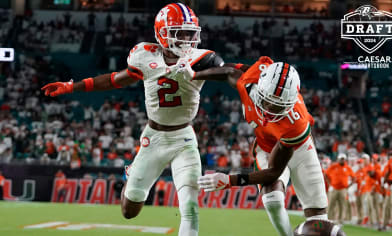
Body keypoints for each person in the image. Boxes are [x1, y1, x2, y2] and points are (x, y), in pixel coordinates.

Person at [41, 3, 227, 236]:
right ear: (162, 32)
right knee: (129, 211)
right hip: (154, 137)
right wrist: (72, 86)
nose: (188, 39)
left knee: (190, 206)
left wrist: (200, 74)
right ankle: (132, 177)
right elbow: (115, 80)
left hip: (184, 139)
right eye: (181, 33)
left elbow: (227, 71)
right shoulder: (144, 55)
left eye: (191, 33)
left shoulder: (201, 58)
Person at [197, 57, 330, 235]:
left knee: (318, 220)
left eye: (278, 106)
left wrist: (230, 181)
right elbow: (229, 71)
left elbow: (274, 172)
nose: (270, 110)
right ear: (260, 89)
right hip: (266, 146)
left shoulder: (296, 122)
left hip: (299, 150)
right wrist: (194, 75)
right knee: (272, 200)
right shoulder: (249, 83)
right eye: (268, 101)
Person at [325, 153, 355, 223]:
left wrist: (348, 186)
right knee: (331, 204)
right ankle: (329, 219)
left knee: (342, 205)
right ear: (338, 159)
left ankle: (340, 220)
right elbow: (326, 174)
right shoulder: (334, 166)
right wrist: (330, 184)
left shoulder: (347, 168)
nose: (342, 160)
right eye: (341, 159)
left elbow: (353, 177)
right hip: (334, 188)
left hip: (343, 189)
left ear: (345, 160)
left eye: (343, 159)